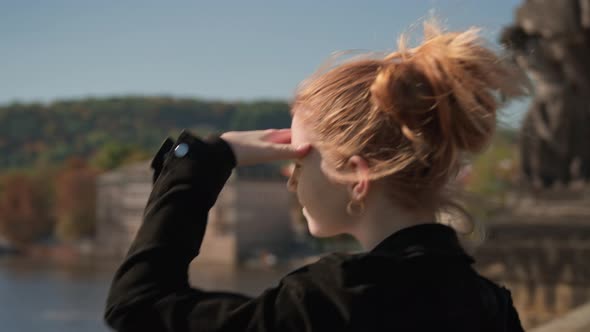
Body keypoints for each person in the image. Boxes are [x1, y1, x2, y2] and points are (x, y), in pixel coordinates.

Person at [104, 22, 528, 332]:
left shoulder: (330, 302)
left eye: (301, 159)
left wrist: (205, 160)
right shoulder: (488, 303)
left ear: (358, 178)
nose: (291, 179)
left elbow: (138, 307)